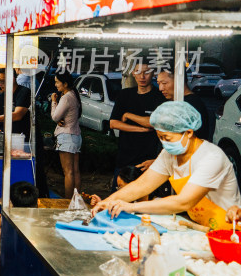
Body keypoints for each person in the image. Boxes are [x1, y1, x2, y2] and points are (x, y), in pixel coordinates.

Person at [92, 101, 241, 230]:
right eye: (160, 138)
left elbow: (184, 201)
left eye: (167, 138)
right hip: (202, 228)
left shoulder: (211, 157)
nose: (164, 143)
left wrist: (131, 207)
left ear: (188, 132)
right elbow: (142, 185)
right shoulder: (169, 155)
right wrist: (107, 202)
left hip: (230, 231)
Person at [108, 63, 167, 182]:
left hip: (147, 160)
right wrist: (141, 129)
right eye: (138, 72)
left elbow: (153, 122)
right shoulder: (125, 95)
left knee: (144, 197)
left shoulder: (159, 97)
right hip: (124, 158)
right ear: (133, 73)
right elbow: (113, 123)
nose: (142, 76)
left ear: (153, 73)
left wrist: (128, 115)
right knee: (118, 195)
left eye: (146, 72)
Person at [124, 69, 213, 142]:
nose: (160, 88)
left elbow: (153, 121)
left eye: (164, 83)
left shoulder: (189, 104)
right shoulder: (178, 101)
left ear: (179, 81)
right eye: (158, 84)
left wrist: (128, 115)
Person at [50, 71, 83, 199]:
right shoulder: (74, 95)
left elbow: (55, 116)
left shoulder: (66, 97)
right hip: (76, 136)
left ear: (65, 83)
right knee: (75, 171)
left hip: (66, 136)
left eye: (57, 82)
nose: (56, 85)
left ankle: (68, 202)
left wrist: (53, 102)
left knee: (68, 172)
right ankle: (76, 200)